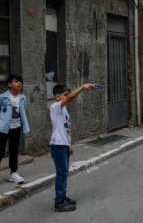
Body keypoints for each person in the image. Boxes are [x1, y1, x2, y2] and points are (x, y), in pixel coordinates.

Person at [50, 83, 95, 212]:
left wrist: (69, 144)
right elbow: (70, 99)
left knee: (63, 173)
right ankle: (59, 202)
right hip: (57, 145)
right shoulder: (55, 107)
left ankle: (62, 197)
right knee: (61, 173)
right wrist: (83, 87)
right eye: (65, 95)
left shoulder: (64, 110)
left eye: (68, 94)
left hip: (63, 145)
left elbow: (66, 129)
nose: (68, 97)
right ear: (57, 97)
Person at [0, 74, 30, 188]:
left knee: (14, 150)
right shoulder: (3, 97)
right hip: (3, 129)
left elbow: (22, 112)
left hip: (16, 128)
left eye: (20, 81)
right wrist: (2, 122)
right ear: (10, 84)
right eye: (16, 81)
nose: (19, 83)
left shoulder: (22, 98)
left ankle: (13, 173)